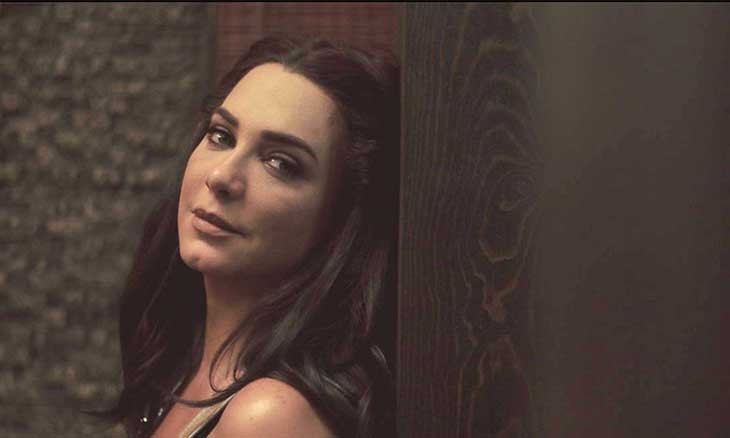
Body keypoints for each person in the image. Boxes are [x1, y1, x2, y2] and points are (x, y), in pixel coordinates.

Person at [104, 36, 399, 437]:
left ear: (341, 217)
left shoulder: (269, 417)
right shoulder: (179, 367)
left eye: (280, 163)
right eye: (221, 136)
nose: (222, 176)